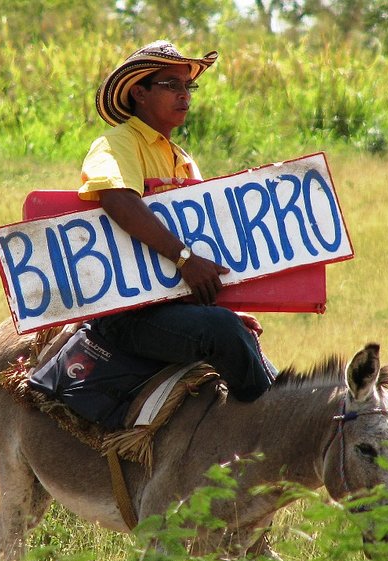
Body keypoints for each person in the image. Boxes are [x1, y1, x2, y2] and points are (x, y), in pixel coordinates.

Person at [78, 40, 275, 403]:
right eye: (172, 85)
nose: (184, 95)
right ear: (139, 92)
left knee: (251, 348)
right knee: (224, 333)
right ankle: (266, 431)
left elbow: (205, 242)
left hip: (176, 305)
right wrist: (184, 259)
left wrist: (224, 307)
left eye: (189, 86)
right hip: (128, 310)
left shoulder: (183, 159)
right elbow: (117, 198)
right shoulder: (117, 143)